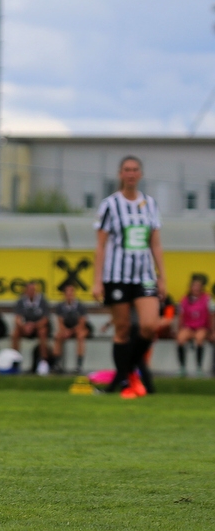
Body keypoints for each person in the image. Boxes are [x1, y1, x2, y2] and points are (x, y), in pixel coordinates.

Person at [92, 155, 166, 396]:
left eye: (135, 169)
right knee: (122, 328)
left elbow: (155, 243)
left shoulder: (150, 204)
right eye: (126, 169)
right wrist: (97, 280)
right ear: (120, 174)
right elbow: (101, 245)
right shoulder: (110, 205)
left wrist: (162, 277)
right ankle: (123, 382)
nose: (131, 173)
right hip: (117, 275)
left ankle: (122, 376)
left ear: (140, 174)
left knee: (149, 326)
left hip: (144, 275)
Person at [11, 281, 51, 375]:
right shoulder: (21, 301)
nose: (31, 292)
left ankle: (43, 361)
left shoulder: (42, 301)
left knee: (43, 332)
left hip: (38, 327)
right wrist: (24, 326)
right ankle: (15, 360)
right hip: (25, 328)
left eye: (33, 290)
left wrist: (33, 326)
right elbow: (17, 319)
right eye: (29, 290)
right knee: (15, 333)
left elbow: (45, 319)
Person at [176, 275, 210, 377]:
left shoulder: (207, 299)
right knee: (180, 338)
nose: (196, 288)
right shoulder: (185, 300)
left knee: (199, 339)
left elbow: (211, 316)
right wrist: (179, 330)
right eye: (194, 286)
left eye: (198, 286)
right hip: (189, 327)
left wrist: (212, 331)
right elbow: (180, 316)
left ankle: (199, 368)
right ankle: (182, 368)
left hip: (202, 327)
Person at [52, 283, 90, 374]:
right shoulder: (60, 306)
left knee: (81, 336)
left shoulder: (80, 306)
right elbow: (60, 322)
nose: (69, 295)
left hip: (77, 329)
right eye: (67, 293)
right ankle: (57, 364)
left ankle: (79, 365)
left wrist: (72, 331)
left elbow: (82, 323)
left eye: (71, 292)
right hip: (66, 329)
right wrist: (65, 331)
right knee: (58, 336)